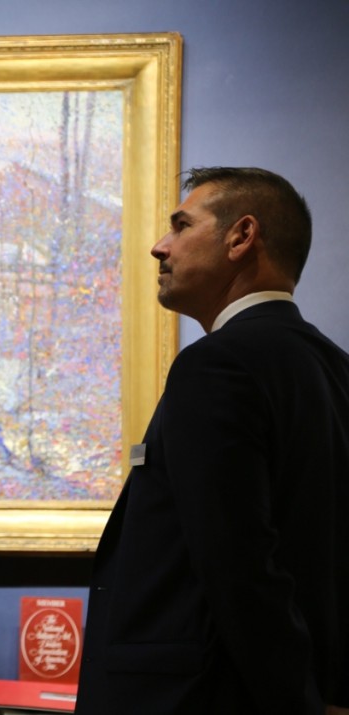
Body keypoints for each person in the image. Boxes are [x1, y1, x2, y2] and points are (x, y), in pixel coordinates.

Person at [75, 167, 349, 714]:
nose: (160, 246)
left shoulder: (218, 364)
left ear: (241, 237)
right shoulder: (335, 368)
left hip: (203, 695)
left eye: (180, 225)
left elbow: (240, 563)